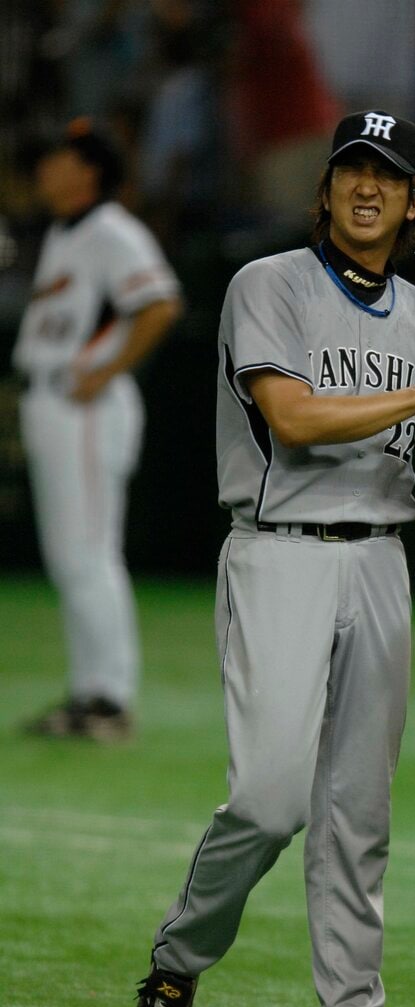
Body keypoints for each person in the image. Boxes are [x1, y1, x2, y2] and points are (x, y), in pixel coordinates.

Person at [135, 108, 415, 1007]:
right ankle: (179, 958)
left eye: (388, 174)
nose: (367, 186)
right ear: (324, 191)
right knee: (271, 798)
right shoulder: (265, 285)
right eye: (351, 169)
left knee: (358, 810)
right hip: (279, 555)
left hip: (377, 567)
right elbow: (292, 416)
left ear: (413, 202)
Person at [13, 117, 182, 742]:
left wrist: (105, 369)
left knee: (87, 552)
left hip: (83, 405)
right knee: (71, 556)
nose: (44, 168)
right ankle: (89, 694)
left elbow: (160, 303)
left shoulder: (112, 230)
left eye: (58, 157)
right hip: (54, 403)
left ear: (88, 171)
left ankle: (110, 699)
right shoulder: (66, 232)